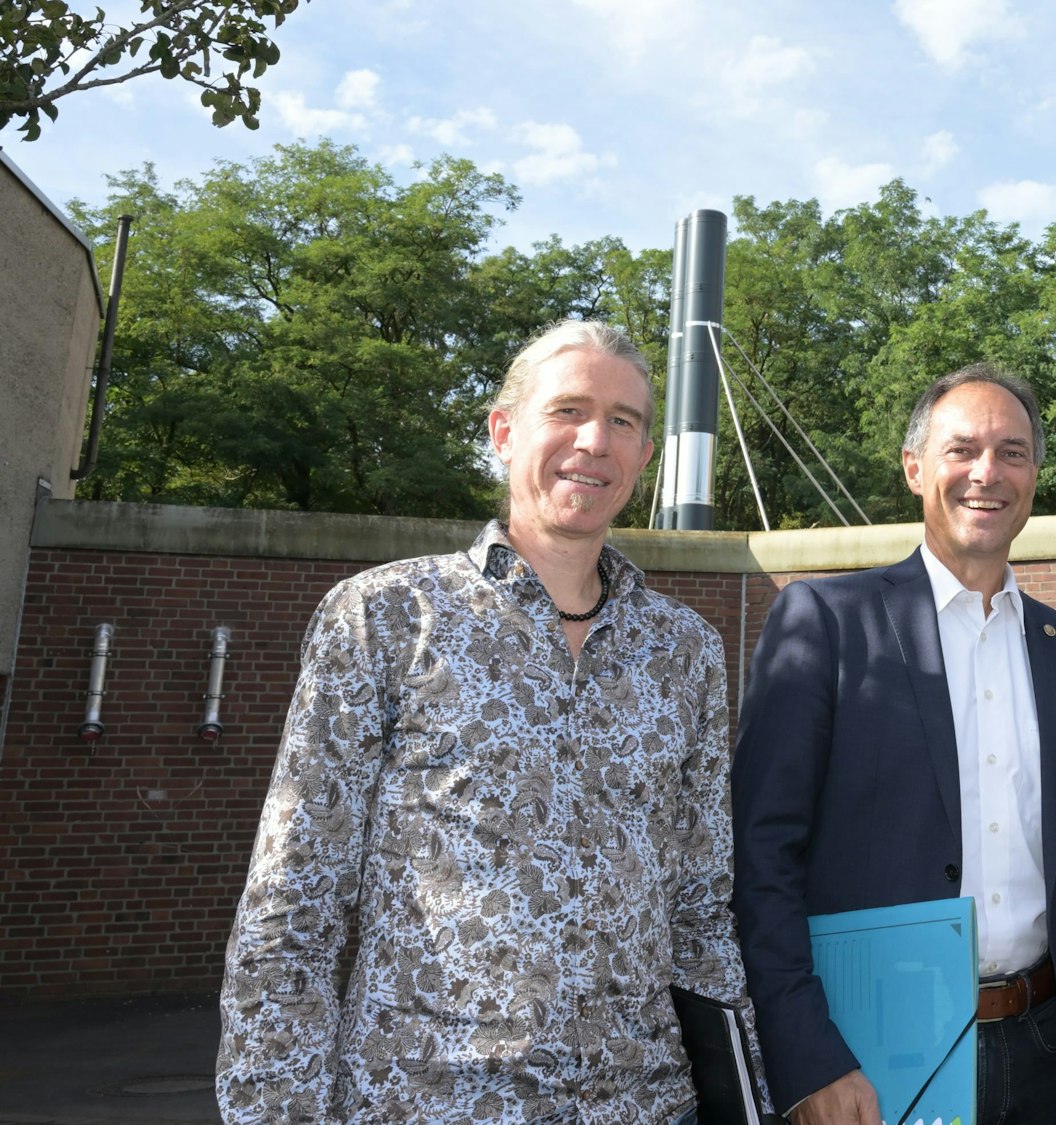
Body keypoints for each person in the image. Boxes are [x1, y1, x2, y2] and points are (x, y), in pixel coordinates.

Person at [217, 321, 753, 1123]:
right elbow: (295, 902)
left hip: (645, 1102)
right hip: (430, 1101)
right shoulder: (386, 617)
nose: (593, 440)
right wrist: (276, 1108)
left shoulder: (686, 651)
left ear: (644, 455)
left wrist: (748, 1095)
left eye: (622, 420)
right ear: (504, 432)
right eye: (567, 409)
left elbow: (704, 910)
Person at [733, 363, 1056, 1125]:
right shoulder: (823, 623)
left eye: (1013, 452)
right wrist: (809, 1057)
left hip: (1047, 1053)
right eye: (963, 449)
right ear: (915, 469)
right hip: (872, 1058)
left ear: (1035, 475)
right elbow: (761, 860)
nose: (988, 472)